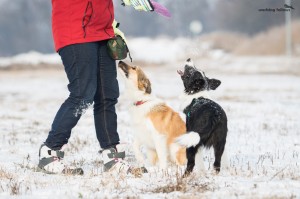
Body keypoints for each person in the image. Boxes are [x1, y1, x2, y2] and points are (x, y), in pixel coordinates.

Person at [38, 0, 154, 175]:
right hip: (75, 29)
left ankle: (111, 155)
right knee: (82, 94)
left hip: (103, 30)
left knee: (107, 95)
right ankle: (50, 152)